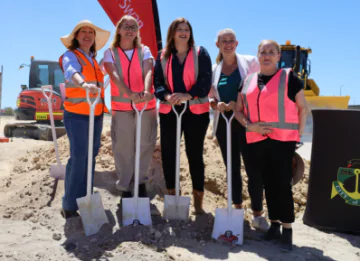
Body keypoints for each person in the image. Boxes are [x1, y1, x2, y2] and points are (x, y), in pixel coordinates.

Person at [235, 40, 308, 252]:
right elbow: (239, 110)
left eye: (271, 52)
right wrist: (250, 126)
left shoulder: (289, 78)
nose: (266, 55)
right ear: (257, 56)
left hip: (283, 141)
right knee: (266, 183)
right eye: (262, 52)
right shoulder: (248, 81)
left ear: (278, 56)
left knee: (282, 185)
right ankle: (274, 225)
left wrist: (298, 136)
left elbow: (303, 108)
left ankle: (287, 230)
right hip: (257, 141)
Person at [208, 28, 270, 231]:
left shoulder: (250, 62)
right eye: (224, 41)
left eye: (231, 40)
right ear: (218, 44)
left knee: (253, 168)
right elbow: (211, 95)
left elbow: (259, 86)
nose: (228, 44)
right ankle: (236, 209)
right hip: (224, 124)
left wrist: (239, 102)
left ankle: (258, 214)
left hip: (246, 122)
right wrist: (214, 103)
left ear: (237, 43)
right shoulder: (215, 69)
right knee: (231, 168)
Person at [154, 17, 212, 214]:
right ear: (172, 32)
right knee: (169, 153)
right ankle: (172, 196)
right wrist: (167, 95)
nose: (183, 32)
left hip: (195, 112)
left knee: (194, 154)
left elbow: (205, 80)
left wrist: (189, 95)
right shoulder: (162, 56)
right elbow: (158, 83)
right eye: (179, 29)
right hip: (170, 112)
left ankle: (198, 203)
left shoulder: (200, 53)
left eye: (187, 29)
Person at [59, 20, 110, 218]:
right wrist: (84, 84)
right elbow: (72, 71)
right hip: (77, 115)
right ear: (76, 37)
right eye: (83, 32)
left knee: (90, 156)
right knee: (79, 156)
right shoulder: (70, 56)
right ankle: (70, 204)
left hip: (95, 115)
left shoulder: (93, 60)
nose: (88, 35)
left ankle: (85, 196)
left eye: (91, 32)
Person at [103, 15, 157, 200]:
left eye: (133, 26)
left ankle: (140, 184)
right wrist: (129, 93)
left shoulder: (145, 50)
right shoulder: (110, 52)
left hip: (145, 106)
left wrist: (144, 91)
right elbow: (114, 73)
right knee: (123, 147)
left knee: (145, 144)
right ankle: (125, 186)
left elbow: (149, 69)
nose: (129, 29)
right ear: (119, 30)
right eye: (125, 26)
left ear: (137, 31)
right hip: (122, 107)